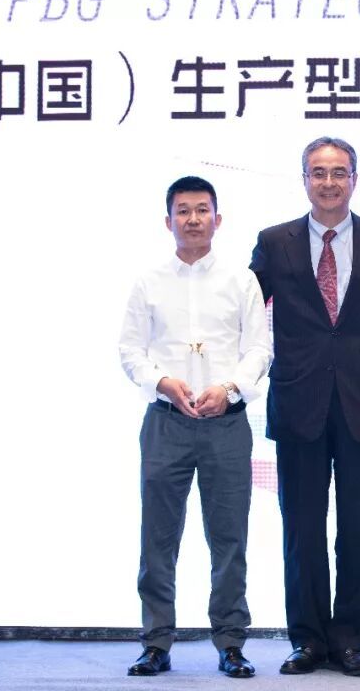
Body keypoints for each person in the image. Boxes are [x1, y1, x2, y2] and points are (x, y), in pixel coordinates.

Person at [249, 137, 360, 677]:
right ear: (304, 180)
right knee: (302, 528)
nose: (329, 182)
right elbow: (242, 312)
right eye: (318, 173)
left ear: (354, 180)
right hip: (299, 401)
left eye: (339, 172)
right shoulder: (275, 242)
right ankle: (308, 640)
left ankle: (352, 642)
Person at [119, 176, 271, 678]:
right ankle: (155, 643)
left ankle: (230, 642)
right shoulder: (149, 282)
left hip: (226, 425)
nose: (192, 219)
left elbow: (259, 349)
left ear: (217, 219)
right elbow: (130, 350)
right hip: (166, 425)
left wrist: (229, 388)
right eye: (182, 211)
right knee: (158, 539)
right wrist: (161, 382)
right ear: (168, 221)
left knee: (229, 539)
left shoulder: (241, 281)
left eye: (202, 210)